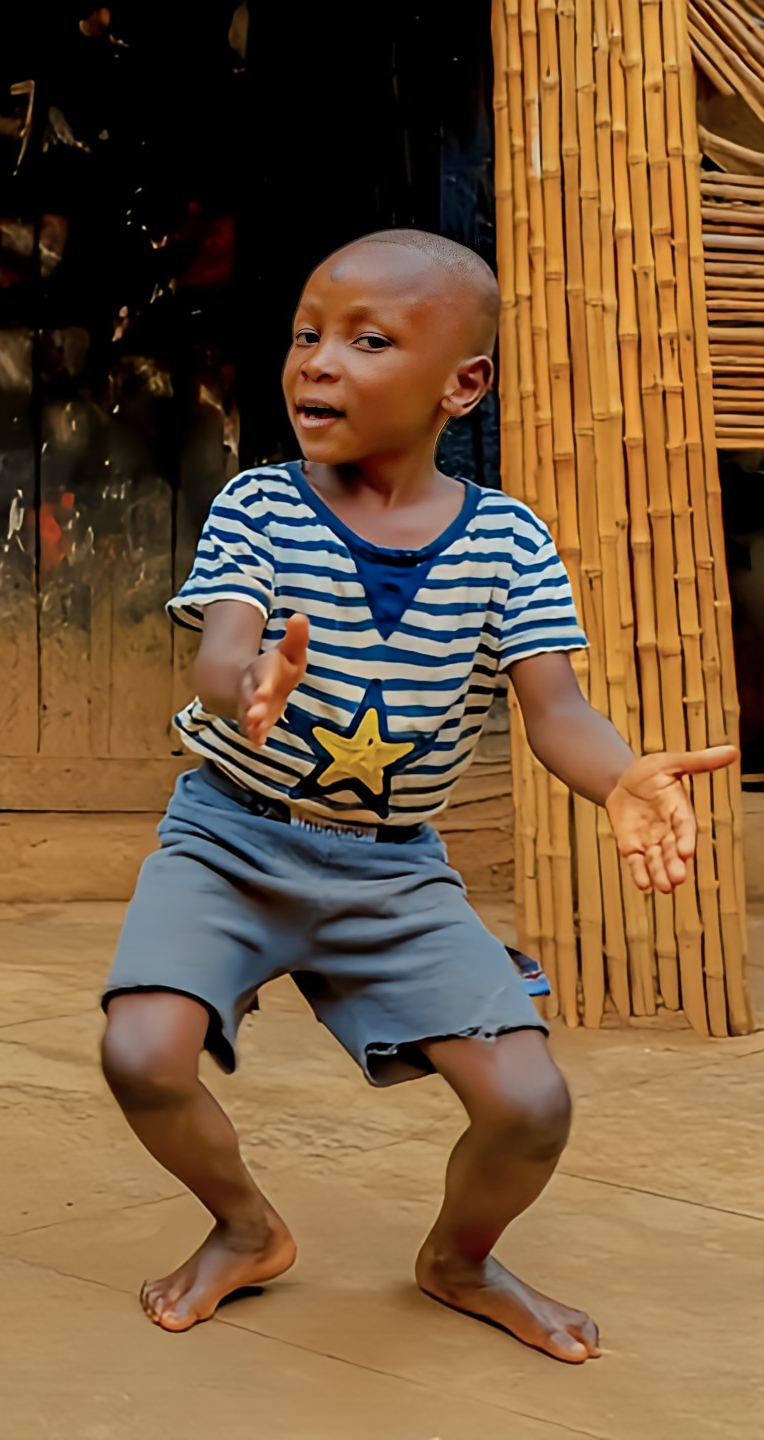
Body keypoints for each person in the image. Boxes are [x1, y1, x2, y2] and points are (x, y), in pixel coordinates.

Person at [98, 229, 736, 1362]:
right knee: (142, 1052)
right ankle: (244, 1227)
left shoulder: (507, 542)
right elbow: (223, 649)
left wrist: (620, 775)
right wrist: (250, 683)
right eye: (305, 335)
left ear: (462, 383)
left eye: (366, 339)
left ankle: (459, 1258)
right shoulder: (261, 507)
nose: (317, 363)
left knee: (529, 1106)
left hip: (392, 868)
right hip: (230, 841)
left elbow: (556, 714)